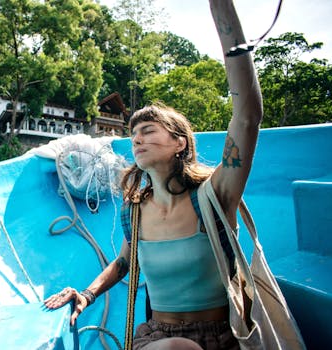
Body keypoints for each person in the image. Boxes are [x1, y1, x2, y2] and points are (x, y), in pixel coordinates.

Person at [44, 0, 263, 349]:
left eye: (147, 130)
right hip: (158, 338)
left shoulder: (214, 196)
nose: (137, 138)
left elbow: (248, 118)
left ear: (179, 143)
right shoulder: (135, 210)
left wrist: (222, 12)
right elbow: (123, 262)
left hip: (221, 337)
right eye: (134, 134)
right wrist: (87, 294)